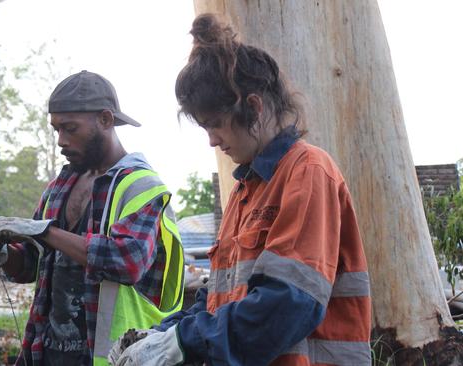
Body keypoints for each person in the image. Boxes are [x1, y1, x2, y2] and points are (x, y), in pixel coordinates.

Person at [109, 14, 371, 366]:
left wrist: (184, 342)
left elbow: (288, 304)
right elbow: (218, 300)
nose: (212, 140)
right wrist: (162, 333)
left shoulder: (307, 172)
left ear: (254, 108)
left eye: (215, 125)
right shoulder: (245, 189)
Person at [0, 70, 184, 366]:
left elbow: (126, 262)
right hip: (47, 353)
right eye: (56, 130)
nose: (61, 140)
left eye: (70, 128)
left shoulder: (141, 186)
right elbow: (33, 264)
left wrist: (43, 231)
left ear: (105, 119)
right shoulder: (58, 188)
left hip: (114, 357)